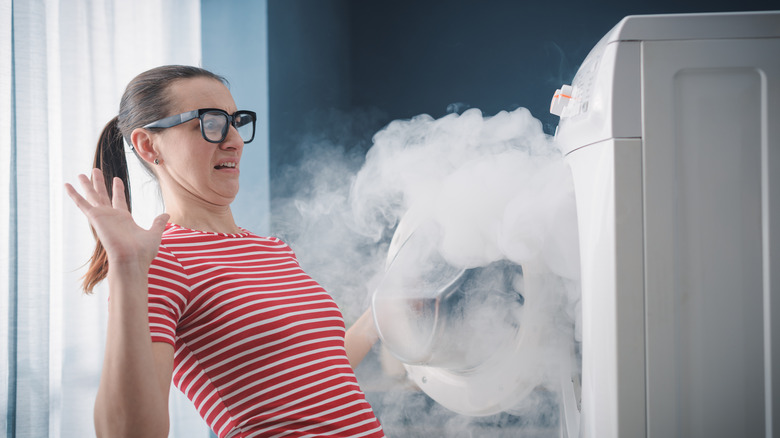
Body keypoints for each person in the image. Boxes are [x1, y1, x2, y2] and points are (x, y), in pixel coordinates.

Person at [64, 65, 385, 438]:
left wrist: (381, 314)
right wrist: (125, 267)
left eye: (234, 121)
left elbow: (316, 371)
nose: (233, 139)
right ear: (148, 146)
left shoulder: (273, 249)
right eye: (210, 122)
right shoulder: (159, 261)